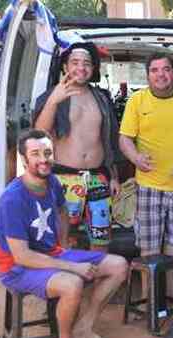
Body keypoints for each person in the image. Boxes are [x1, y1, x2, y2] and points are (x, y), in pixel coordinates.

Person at [0, 129, 128, 338]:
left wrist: (63, 242)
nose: (44, 159)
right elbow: (22, 256)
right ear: (24, 160)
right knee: (72, 283)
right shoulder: (11, 200)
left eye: (47, 152)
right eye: (35, 154)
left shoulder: (52, 181)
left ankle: (84, 326)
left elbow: (62, 210)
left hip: (51, 254)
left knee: (118, 265)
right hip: (17, 268)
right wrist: (72, 265)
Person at [119, 54, 173, 301]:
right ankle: (149, 296)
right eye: (155, 70)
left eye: (166, 69)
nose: (161, 74)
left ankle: (172, 290)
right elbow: (124, 139)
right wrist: (135, 158)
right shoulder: (137, 101)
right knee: (149, 244)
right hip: (149, 186)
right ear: (148, 75)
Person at [34, 42, 121, 251]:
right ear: (65, 66)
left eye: (87, 63)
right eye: (75, 62)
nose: (81, 68)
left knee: (101, 241)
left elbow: (109, 140)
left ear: (93, 69)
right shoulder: (52, 96)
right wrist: (54, 101)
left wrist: (114, 175)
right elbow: (40, 135)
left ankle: (98, 280)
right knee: (63, 241)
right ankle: (68, 282)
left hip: (98, 179)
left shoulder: (101, 98)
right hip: (63, 179)